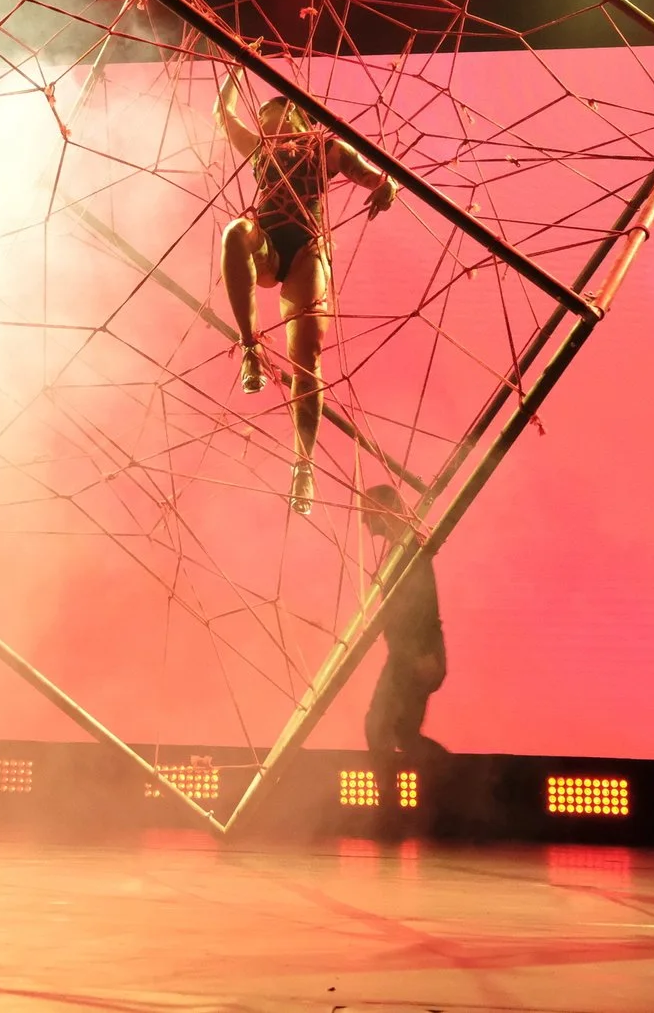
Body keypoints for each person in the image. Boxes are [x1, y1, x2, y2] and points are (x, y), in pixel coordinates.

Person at [215, 64, 397, 513]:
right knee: (235, 233)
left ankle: (303, 464)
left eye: (271, 113)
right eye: (261, 116)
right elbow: (224, 115)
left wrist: (387, 185)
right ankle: (251, 347)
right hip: (268, 244)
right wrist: (236, 70)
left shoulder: (325, 148)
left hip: (305, 252)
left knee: (307, 359)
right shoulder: (260, 150)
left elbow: (375, 175)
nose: (263, 120)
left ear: (295, 116)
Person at [360, 482, 448, 824]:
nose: (363, 521)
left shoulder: (410, 548)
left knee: (378, 725)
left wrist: (422, 655)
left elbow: (423, 604)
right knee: (400, 733)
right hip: (408, 653)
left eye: (367, 510)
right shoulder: (402, 547)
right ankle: (443, 790)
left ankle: (391, 811)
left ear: (384, 509)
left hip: (413, 655)